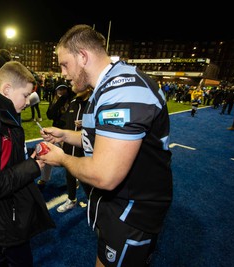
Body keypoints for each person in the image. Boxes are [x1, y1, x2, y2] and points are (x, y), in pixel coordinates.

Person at [38, 24, 173, 267]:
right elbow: (99, 140)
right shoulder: (106, 88)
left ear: (83, 56)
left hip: (131, 212)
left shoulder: (123, 89)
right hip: (115, 205)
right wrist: (65, 135)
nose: (63, 73)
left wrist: (61, 159)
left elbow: (104, 175)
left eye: (64, 64)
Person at [0, 61, 55, 266]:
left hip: (8, 208)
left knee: (5, 256)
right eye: (25, 95)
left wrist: (32, 156)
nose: (28, 101)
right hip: (5, 213)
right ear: (6, 90)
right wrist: (33, 167)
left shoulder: (1, 114)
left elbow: (7, 159)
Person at [56, 86, 93, 213]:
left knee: (86, 176)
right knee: (69, 172)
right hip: (70, 145)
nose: (75, 89)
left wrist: (87, 122)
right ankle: (71, 199)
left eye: (79, 87)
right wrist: (62, 139)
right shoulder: (72, 103)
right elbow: (65, 122)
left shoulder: (94, 103)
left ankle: (92, 202)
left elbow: (103, 124)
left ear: (88, 88)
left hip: (86, 147)